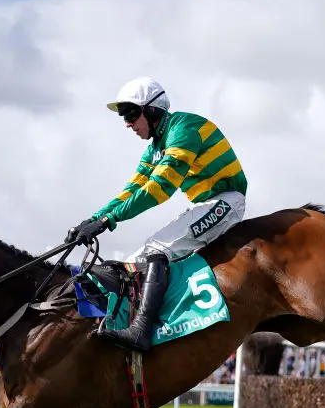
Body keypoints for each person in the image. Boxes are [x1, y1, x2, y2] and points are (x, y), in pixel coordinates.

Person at [66, 77, 248, 352]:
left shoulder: (184, 129)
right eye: (124, 117)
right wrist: (93, 219)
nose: (127, 123)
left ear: (152, 110)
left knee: (156, 249)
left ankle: (142, 331)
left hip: (226, 202)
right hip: (207, 204)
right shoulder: (154, 149)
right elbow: (132, 190)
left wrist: (108, 221)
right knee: (135, 260)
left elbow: (159, 188)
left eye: (130, 114)